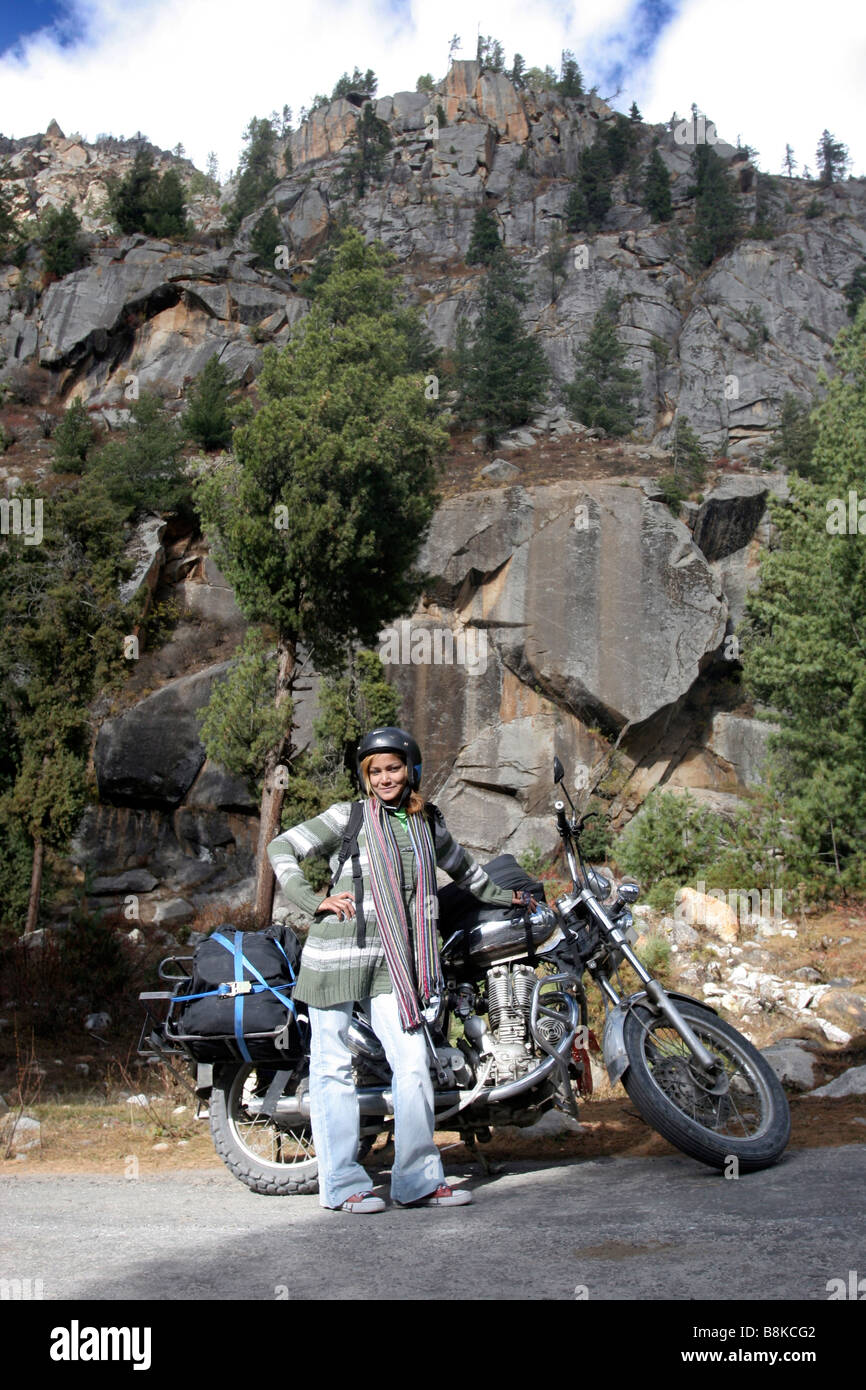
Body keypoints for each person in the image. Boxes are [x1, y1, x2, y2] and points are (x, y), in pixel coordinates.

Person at [267, 726, 521, 1214]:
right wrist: (310, 900)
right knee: (332, 1067)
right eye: (375, 771)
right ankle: (342, 1183)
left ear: (412, 769)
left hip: (396, 963)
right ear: (365, 776)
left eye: (394, 768)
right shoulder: (350, 815)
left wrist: (511, 897)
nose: (385, 778)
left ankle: (416, 1180)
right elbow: (282, 848)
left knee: (411, 1064)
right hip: (335, 955)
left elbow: (469, 875)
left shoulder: (428, 823)